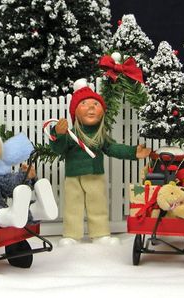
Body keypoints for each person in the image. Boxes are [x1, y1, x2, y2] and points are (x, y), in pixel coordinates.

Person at [49, 79, 151, 246]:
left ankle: (100, 234)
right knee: (72, 207)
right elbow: (58, 149)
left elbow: (112, 148)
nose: (91, 107)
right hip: (73, 177)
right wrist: (59, 135)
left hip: (95, 175)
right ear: (75, 112)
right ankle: (71, 235)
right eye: (84, 104)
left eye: (95, 104)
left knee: (98, 205)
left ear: (102, 112)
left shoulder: (100, 135)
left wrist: (133, 152)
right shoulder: (71, 134)